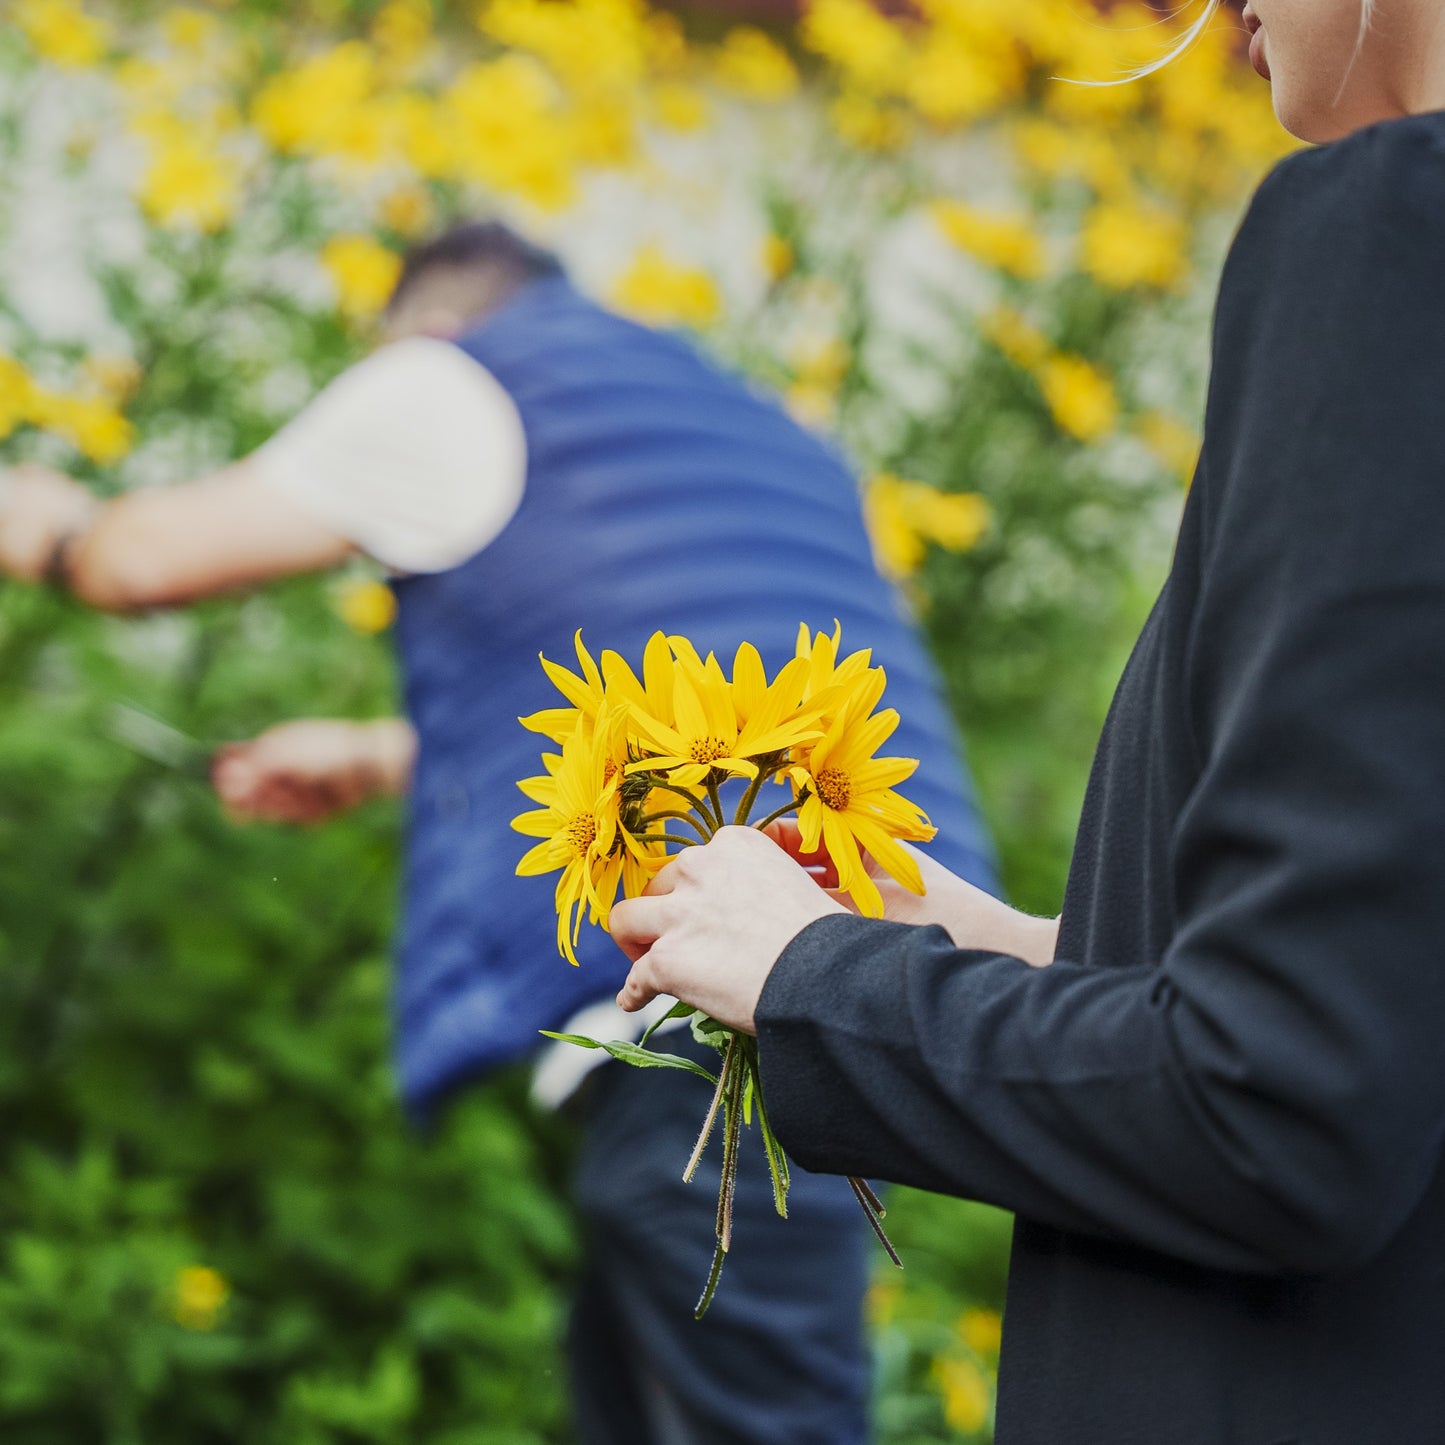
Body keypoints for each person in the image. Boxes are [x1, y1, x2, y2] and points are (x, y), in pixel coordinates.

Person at [0, 223, 997, 1444]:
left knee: (756, 1411)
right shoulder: (759, 430)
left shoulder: (449, 378)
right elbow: (690, 700)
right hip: (898, 947)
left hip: (737, 983)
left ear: (426, 324)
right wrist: (377, 754)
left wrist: (43, 518)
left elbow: (138, 558)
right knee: (642, 1381)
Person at [607, 3, 1445, 1441]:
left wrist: (811, 977)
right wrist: (1001, 951)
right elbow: (1386, 1025)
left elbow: (1282, 1112)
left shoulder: (1391, 243)